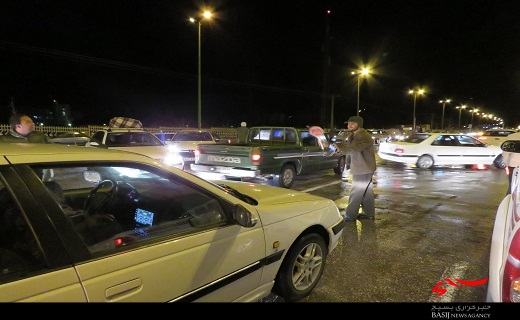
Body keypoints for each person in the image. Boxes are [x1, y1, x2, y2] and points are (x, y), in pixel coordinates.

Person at [334, 116, 377, 221]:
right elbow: (345, 144)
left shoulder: (365, 136)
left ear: (359, 124)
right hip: (361, 168)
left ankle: (350, 215)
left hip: (364, 168)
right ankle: (369, 214)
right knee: (366, 192)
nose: (349, 125)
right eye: (348, 123)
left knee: (356, 192)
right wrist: (334, 145)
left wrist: (341, 150)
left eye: (352, 123)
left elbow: (355, 149)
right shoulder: (352, 135)